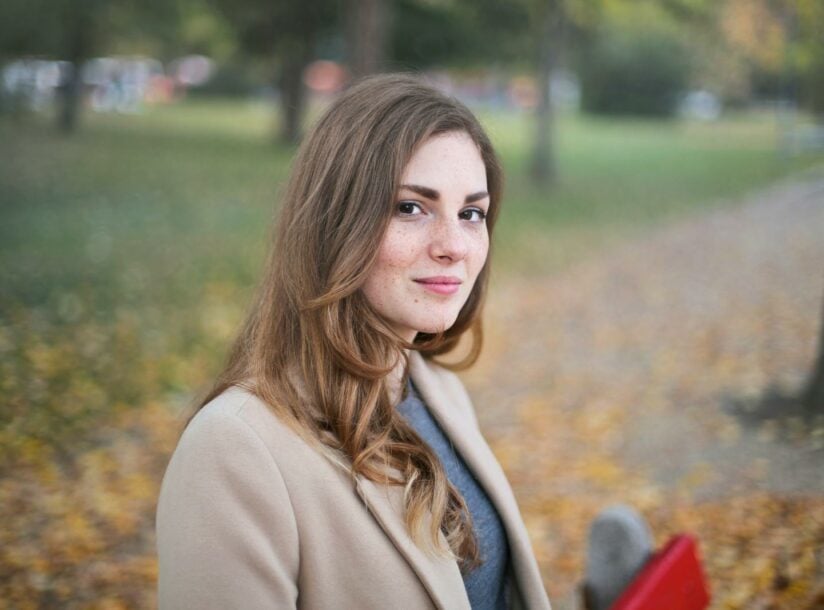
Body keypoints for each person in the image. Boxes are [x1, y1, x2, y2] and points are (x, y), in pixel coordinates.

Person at [155, 73, 551, 610]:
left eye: (471, 213)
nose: (454, 246)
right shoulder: (234, 450)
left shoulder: (436, 389)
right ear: (335, 223)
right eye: (411, 207)